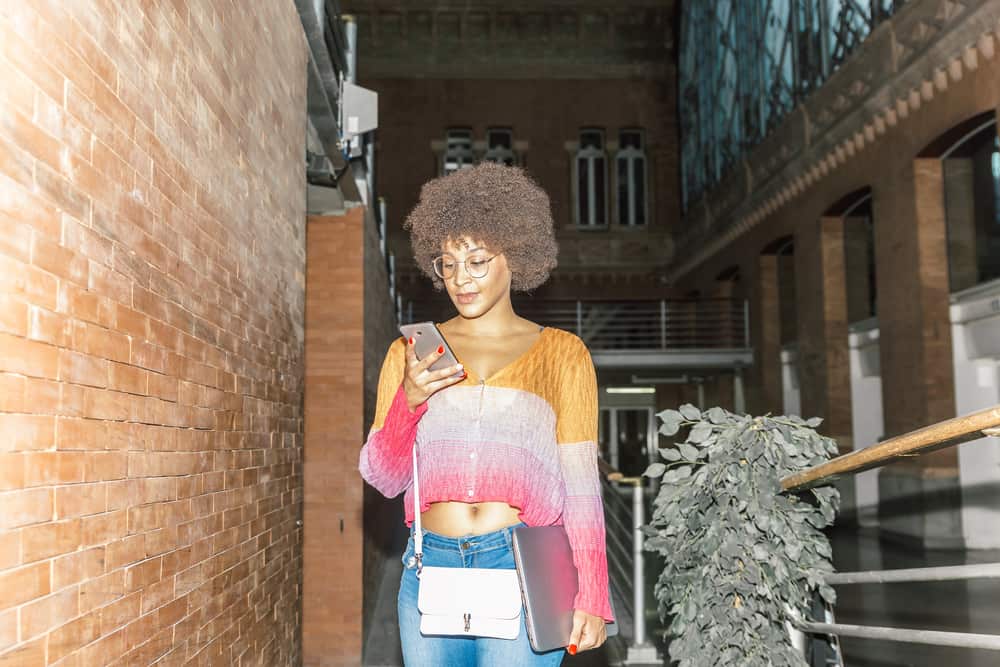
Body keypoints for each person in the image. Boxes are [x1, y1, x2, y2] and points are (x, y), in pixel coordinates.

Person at [359, 162, 614, 665]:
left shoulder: (563, 354)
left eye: (477, 260)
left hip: (522, 569)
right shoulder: (409, 354)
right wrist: (408, 402)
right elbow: (383, 478)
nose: (461, 278)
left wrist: (592, 596)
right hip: (428, 569)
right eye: (447, 264)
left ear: (514, 256)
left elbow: (582, 486)